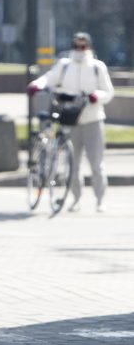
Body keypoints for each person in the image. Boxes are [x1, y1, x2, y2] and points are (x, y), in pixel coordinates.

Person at [27, 32, 114, 213]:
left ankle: (100, 200)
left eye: (83, 46)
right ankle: (75, 199)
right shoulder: (65, 65)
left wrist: (96, 96)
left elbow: (108, 92)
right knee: (72, 164)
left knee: (96, 163)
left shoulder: (97, 67)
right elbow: (49, 78)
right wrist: (37, 84)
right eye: (76, 46)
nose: (79, 50)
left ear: (89, 47)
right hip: (70, 119)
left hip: (93, 119)